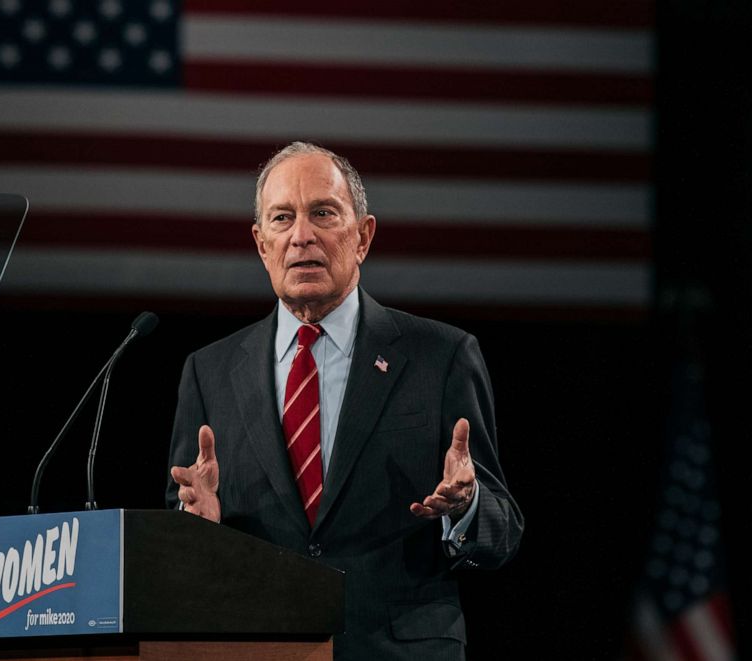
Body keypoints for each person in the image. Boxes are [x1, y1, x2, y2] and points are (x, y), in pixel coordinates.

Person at [167, 142, 523, 659]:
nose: (301, 236)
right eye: (282, 218)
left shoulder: (440, 356)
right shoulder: (210, 371)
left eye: (323, 213)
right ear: (262, 244)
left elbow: (503, 530)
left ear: (363, 237)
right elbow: (175, 537)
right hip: (258, 646)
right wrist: (198, 532)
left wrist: (467, 506)